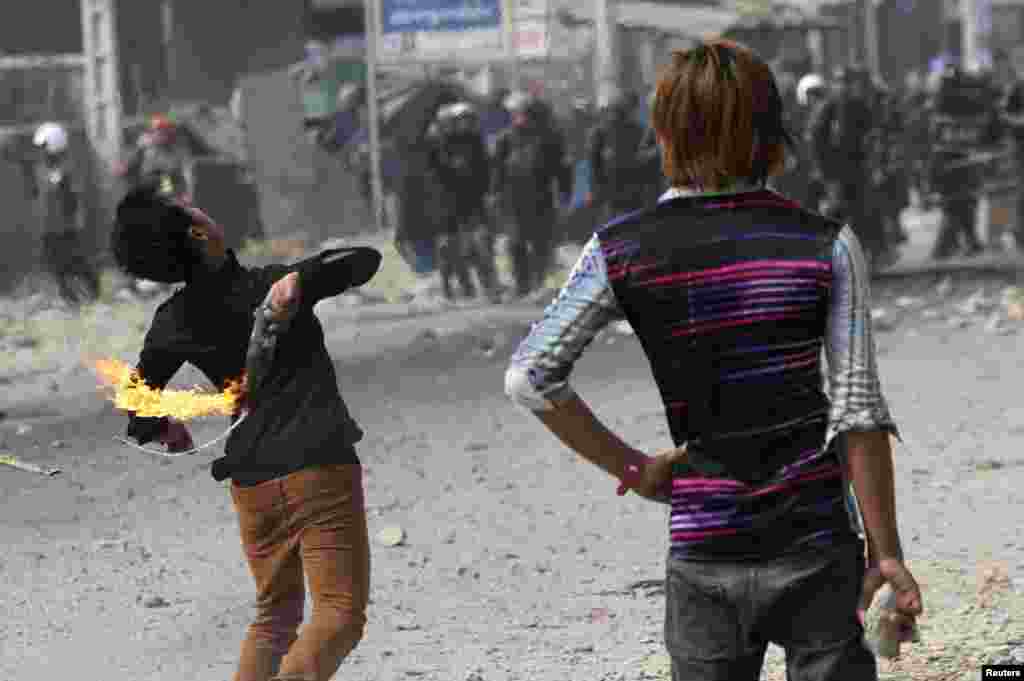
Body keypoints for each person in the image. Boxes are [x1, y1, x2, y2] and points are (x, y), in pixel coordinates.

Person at [505, 40, 922, 681]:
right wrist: (885, 553)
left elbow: (530, 376)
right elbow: (858, 412)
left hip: (703, 548)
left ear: (664, 133)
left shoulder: (620, 250)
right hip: (815, 545)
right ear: (771, 133)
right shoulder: (826, 245)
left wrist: (637, 469)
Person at [111, 184, 382, 681]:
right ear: (199, 231)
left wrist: (165, 428)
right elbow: (365, 259)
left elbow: (135, 404)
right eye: (193, 206)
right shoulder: (270, 285)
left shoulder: (172, 320)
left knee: (274, 621)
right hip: (316, 465)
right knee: (339, 614)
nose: (202, 205)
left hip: (252, 486)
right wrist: (303, 278)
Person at [492, 91, 573, 297]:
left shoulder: (550, 139)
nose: (523, 119)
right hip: (514, 198)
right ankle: (522, 284)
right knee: (516, 242)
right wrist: (494, 194)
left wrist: (565, 194)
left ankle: (537, 281)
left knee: (540, 242)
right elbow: (497, 169)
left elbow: (562, 169)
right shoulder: (506, 139)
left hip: (541, 197)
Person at [809, 65, 888, 267]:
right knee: (836, 213)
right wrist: (822, 170)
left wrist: (875, 164)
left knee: (864, 212)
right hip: (834, 172)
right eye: (839, 82)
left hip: (857, 169)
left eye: (847, 82)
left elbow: (873, 137)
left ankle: (870, 256)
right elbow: (817, 140)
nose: (843, 87)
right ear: (834, 85)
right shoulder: (827, 108)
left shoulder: (859, 106)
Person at [427, 101, 500, 303]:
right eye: (460, 121)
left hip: (472, 201)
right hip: (448, 202)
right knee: (448, 247)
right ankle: (450, 287)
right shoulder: (439, 143)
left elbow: (485, 169)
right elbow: (433, 172)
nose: (465, 125)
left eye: (468, 120)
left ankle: (489, 285)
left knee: (480, 243)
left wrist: (488, 193)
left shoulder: (475, 142)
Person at [30, 122, 100, 305]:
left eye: (44, 146)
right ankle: (68, 296)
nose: (41, 151)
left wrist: (78, 218)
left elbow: (77, 195)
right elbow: (38, 194)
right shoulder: (40, 168)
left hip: (65, 224)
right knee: (54, 263)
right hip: (47, 224)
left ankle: (93, 289)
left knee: (74, 260)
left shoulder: (68, 168)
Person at [588, 88, 661, 220]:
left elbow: (595, 165)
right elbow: (652, 166)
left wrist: (596, 190)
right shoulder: (640, 131)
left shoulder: (601, 132)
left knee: (614, 229)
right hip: (633, 193)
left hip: (613, 193)